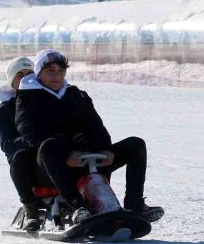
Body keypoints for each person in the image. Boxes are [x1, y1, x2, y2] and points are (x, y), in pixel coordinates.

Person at [15, 49, 164, 225]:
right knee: (49, 145)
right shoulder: (27, 97)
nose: (57, 76)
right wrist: (68, 152)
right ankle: (77, 206)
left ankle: (135, 204)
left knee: (135, 145)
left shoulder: (75, 94)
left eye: (61, 71)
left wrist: (105, 149)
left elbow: (95, 126)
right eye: (50, 71)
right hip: (51, 165)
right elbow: (30, 131)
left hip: (85, 159)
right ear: (39, 73)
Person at [0, 56, 41, 230]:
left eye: (29, 73)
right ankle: (31, 208)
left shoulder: (47, 101)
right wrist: (34, 139)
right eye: (20, 74)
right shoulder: (5, 110)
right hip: (27, 161)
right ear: (12, 80)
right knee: (20, 157)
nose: (25, 78)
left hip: (51, 154)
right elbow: (7, 144)